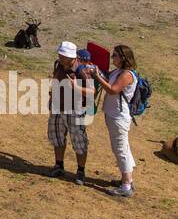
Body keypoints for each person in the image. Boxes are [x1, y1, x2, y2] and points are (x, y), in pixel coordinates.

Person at [47, 41, 94, 184]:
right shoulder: (59, 64)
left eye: (63, 55)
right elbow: (55, 78)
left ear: (71, 57)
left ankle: (80, 171)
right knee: (57, 136)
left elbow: (92, 92)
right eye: (60, 54)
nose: (60, 57)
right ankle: (59, 165)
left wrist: (76, 87)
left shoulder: (81, 71)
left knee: (79, 141)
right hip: (57, 107)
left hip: (74, 110)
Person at [95, 44, 139, 198]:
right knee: (122, 148)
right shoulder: (118, 71)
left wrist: (97, 77)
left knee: (120, 149)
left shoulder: (127, 75)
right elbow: (106, 76)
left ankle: (126, 186)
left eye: (115, 55)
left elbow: (113, 90)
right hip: (114, 115)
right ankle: (127, 179)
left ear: (123, 58)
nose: (112, 57)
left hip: (118, 117)